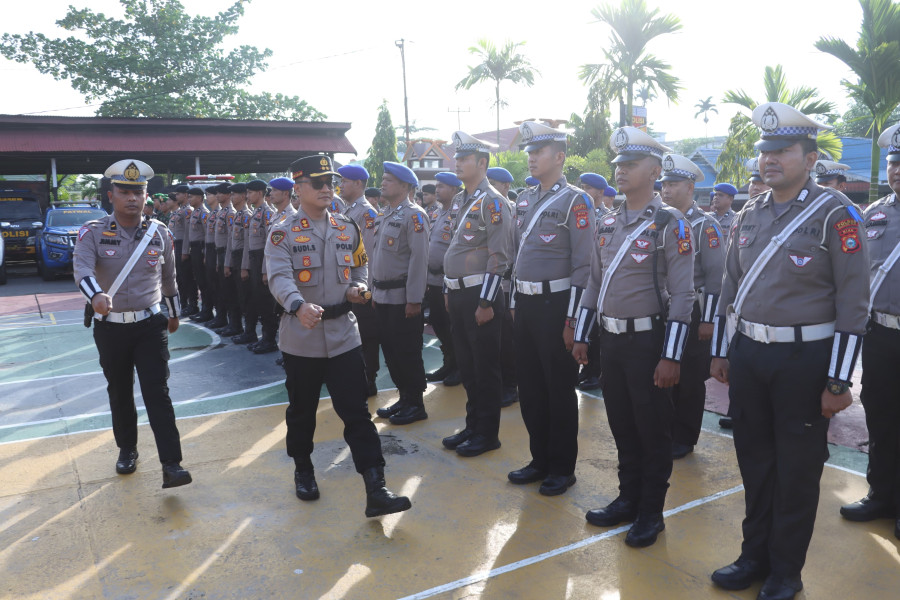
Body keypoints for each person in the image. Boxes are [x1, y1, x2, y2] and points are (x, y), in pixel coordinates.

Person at [709, 102, 869, 600]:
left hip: (805, 361)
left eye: (782, 151)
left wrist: (838, 380)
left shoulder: (836, 214)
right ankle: (752, 556)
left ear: (811, 158)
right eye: (765, 151)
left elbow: (854, 302)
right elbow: (730, 286)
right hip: (750, 355)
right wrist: (722, 350)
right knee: (754, 462)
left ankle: (785, 571)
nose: (770, 160)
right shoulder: (749, 213)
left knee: (796, 470)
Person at [265, 154, 411, 517]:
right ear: (298, 188)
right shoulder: (283, 231)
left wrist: (357, 288)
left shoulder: (347, 227)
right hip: (301, 336)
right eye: (318, 183)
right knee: (302, 412)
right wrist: (298, 305)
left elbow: (361, 266)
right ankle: (303, 469)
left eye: (330, 182)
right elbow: (279, 277)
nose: (327, 189)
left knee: (357, 412)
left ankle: (376, 487)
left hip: (344, 334)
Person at [573, 129, 694, 548]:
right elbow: (594, 282)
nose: (620, 171)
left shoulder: (670, 222)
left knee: (653, 430)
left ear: (655, 171)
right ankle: (628, 498)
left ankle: (651, 513)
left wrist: (672, 356)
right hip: (611, 341)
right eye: (619, 164)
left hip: (648, 343)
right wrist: (583, 335)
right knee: (622, 424)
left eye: (630, 164)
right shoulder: (607, 221)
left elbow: (683, 294)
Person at [73, 159, 191, 488]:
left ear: (146, 195)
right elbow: (82, 269)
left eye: (138, 192)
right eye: (124, 192)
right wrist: (95, 295)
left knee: (157, 391)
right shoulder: (93, 232)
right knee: (120, 390)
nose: (132, 198)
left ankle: (172, 464)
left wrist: (174, 313)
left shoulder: (160, 232)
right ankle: (127, 449)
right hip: (110, 327)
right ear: (111, 195)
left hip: (149, 325)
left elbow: (169, 279)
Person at [507, 121, 595, 496]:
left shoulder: (577, 201)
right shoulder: (524, 199)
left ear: (559, 157)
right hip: (526, 304)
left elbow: (584, 266)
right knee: (530, 387)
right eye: (529, 152)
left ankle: (562, 468)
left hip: (556, 305)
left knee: (558, 389)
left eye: (538, 152)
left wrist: (572, 320)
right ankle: (539, 459)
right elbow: (518, 256)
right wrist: (514, 302)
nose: (531, 158)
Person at [840, 122, 900, 542]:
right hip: (880, 334)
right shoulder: (873, 213)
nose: (896, 170)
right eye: (894, 163)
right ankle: (881, 494)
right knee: (880, 415)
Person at [440, 132, 512, 457]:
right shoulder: (461, 199)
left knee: (485, 369)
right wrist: (447, 287)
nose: (457, 163)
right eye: (456, 158)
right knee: (468, 367)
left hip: (479, 297)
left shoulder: (493, 201)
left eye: (464, 158)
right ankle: (473, 426)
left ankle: (487, 433)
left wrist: (486, 302)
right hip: (458, 295)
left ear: (482, 163)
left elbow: (499, 257)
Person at [658, 154, 724, 459]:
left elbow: (715, 277)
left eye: (673, 184)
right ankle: (666, 429)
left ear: (690, 187)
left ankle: (684, 436)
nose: (666, 190)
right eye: (664, 184)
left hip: (694, 309)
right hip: (664, 307)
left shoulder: (705, 226)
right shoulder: (660, 220)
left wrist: (708, 319)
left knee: (689, 377)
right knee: (665, 372)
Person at [371, 162, 430, 425]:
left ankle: (416, 404)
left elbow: (419, 259)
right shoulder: (384, 214)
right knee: (391, 352)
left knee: (407, 352)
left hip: (402, 298)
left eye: (389, 180)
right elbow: (377, 257)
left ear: (405, 186)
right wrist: (373, 292)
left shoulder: (414, 215)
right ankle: (404, 397)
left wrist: (414, 299)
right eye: (383, 179)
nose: (383, 183)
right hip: (382, 296)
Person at [337, 164, 382, 395]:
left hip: (361, 286)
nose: (340, 185)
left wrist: (366, 290)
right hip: (347, 284)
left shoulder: (367, 214)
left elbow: (369, 256)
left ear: (358, 183)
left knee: (366, 335)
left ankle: (368, 379)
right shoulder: (347, 211)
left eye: (344, 181)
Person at [424, 171, 462, 387]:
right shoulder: (438, 213)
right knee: (438, 323)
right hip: (434, 280)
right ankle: (448, 362)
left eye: (441, 186)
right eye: (436, 186)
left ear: (454, 189)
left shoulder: (459, 213)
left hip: (450, 282)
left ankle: (459, 367)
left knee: (452, 326)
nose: (437, 190)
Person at [485, 166, 519, 406]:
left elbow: (516, 251)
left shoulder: (513, 211)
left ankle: (510, 385)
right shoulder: (485, 208)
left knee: (507, 339)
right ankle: (499, 383)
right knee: (493, 339)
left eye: (493, 183)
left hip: (507, 284)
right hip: (490, 282)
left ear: (506, 186)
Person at [577, 172, 610, 393]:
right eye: (582, 187)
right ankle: (585, 369)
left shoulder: (606, 217)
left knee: (596, 330)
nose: (584, 191)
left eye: (588, 188)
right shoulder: (579, 212)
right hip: (582, 278)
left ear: (599, 192)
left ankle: (595, 372)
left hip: (599, 280)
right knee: (582, 326)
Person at [241, 179, 278, 353]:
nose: (247, 196)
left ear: (259, 193)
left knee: (266, 302)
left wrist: (264, 270)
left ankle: (269, 340)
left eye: (250, 192)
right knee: (257, 300)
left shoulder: (267, 213)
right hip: (254, 259)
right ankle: (264, 337)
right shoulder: (255, 212)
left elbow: (268, 245)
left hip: (262, 259)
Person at [224, 183, 249, 339]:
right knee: (234, 294)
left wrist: (244, 266)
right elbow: (230, 241)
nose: (231, 197)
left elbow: (247, 243)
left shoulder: (247, 215)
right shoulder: (237, 215)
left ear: (243, 196)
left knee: (245, 297)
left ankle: (248, 331)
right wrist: (227, 263)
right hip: (235, 257)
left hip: (242, 258)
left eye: (234, 194)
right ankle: (236, 326)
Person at [169, 184, 198, 316]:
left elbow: (187, 232)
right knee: (180, 277)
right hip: (176, 244)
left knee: (187, 277)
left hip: (183, 245)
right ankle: (184, 303)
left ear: (185, 195)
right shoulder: (180, 210)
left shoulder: (187, 211)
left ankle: (192, 304)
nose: (176, 196)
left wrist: (185, 250)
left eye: (178, 194)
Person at [193, 185, 220, 323]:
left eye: (210, 194)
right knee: (207, 284)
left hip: (215, 250)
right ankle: (208, 311)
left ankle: (219, 315)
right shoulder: (212, 214)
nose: (207, 197)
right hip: (207, 249)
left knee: (216, 285)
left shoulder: (218, 213)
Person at [183, 187, 211, 321]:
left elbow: (207, 235)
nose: (189, 199)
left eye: (191, 197)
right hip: (194, 249)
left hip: (200, 249)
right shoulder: (194, 212)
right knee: (198, 280)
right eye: (188, 197)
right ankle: (202, 308)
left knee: (204, 282)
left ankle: (207, 310)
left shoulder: (204, 213)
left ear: (200, 198)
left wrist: (205, 253)